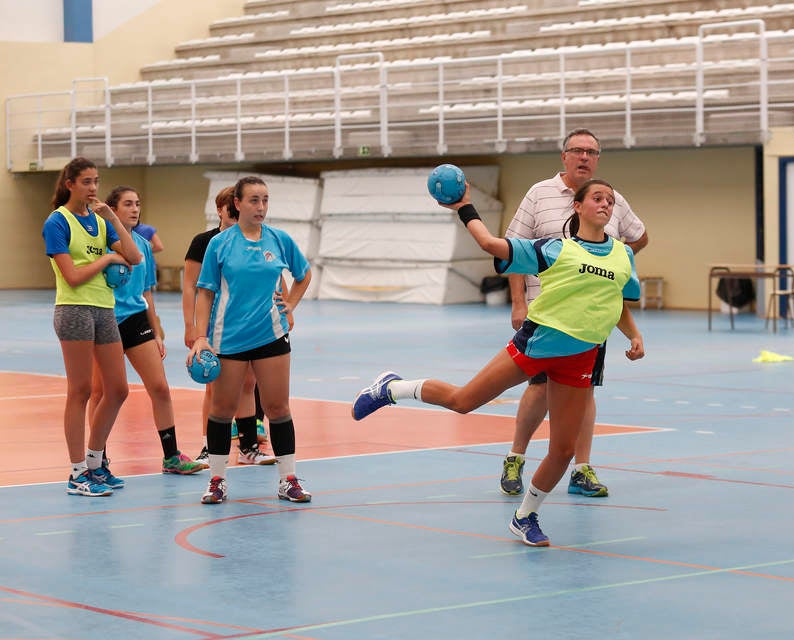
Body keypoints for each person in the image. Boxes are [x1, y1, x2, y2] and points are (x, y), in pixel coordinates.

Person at [352, 179, 644, 546]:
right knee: (463, 401)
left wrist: (634, 335)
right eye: (597, 198)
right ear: (578, 206)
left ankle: (525, 516)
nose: (605, 204)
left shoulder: (623, 255)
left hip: (581, 356)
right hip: (537, 345)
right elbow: (491, 244)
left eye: (610, 200)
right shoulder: (555, 248)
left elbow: (617, 300)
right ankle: (392, 388)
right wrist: (464, 207)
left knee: (563, 450)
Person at [500, 128, 649, 498]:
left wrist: (612, 266)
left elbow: (639, 236)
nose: (585, 157)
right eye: (578, 150)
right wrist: (519, 301)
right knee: (538, 389)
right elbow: (513, 247)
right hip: (547, 314)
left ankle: (581, 469)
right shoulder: (540, 194)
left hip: (592, 318)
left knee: (585, 392)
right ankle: (516, 457)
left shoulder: (612, 199)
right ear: (563, 156)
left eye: (592, 152)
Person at [187, 176, 313, 505]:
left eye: (265, 200)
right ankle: (217, 481)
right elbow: (205, 292)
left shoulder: (279, 239)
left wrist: (290, 304)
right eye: (254, 200)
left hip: (271, 335)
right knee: (222, 409)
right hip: (228, 339)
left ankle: (288, 479)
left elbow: (303, 274)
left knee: (278, 408)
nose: (261, 207)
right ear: (237, 204)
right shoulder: (220, 244)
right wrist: (200, 336)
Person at [41, 157, 142, 496]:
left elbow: (135, 256)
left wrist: (111, 217)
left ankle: (95, 462)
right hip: (74, 310)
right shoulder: (57, 222)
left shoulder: (100, 221)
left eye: (96, 181)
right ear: (69, 184)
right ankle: (76, 473)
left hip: (104, 309)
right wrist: (107, 258)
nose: (93, 188)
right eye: (86, 181)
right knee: (81, 391)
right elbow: (72, 276)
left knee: (118, 389)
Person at [88, 186, 205, 475]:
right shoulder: (100, 242)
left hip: (136, 321)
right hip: (105, 321)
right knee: (101, 393)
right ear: (112, 210)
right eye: (128, 204)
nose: (135, 209)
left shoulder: (143, 245)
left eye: (137, 204)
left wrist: (156, 331)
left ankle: (171, 456)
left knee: (160, 388)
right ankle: (98, 457)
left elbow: (146, 292)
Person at [182, 186, 277, 468]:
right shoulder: (206, 242)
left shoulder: (254, 239)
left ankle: (248, 447)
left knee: (248, 383)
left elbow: (271, 275)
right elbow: (191, 286)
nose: (236, 216)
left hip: (247, 322)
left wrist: (284, 306)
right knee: (215, 387)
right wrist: (191, 326)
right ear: (220, 210)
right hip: (215, 323)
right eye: (231, 211)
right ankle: (208, 446)